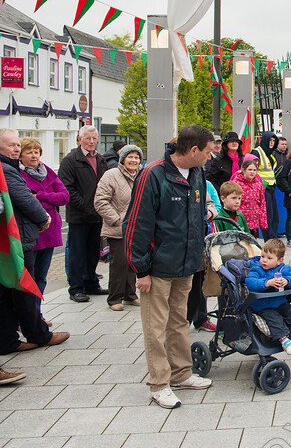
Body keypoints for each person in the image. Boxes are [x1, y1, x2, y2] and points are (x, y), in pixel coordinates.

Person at [124, 125, 215, 409]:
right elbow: (136, 224)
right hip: (157, 268)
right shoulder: (153, 174)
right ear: (193, 150)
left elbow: (197, 212)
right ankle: (159, 384)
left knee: (179, 321)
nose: (210, 158)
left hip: (186, 264)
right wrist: (141, 270)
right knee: (156, 327)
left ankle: (181, 373)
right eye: (208, 152)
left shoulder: (198, 173)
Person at [0, 128, 69, 353]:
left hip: (14, 238)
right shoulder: (8, 170)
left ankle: (9, 339)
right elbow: (24, 198)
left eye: (17, 144)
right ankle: (38, 334)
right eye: (12, 145)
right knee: (24, 290)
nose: (17, 149)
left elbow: (63, 194)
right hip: (17, 239)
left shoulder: (12, 168)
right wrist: (43, 216)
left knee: (10, 291)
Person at [59, 125, 108, 302]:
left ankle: (91, 283)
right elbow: (67, 189)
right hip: (79, 216)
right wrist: (86, 206)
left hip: (96, 216)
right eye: (88, 138)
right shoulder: (71, 160)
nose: (91, 142)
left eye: (94, 138)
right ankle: (76, 288)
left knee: (93, 252)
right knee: (77, 253)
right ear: (79, 139)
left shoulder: (101, 160)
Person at [19, 137, 68, 313]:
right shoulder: (18, 174)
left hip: (50, 230)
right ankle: (27, 316)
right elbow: (25, 202)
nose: (34, 156)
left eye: (36, 152)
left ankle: (37, 313)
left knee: (41, 276)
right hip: (31, 231)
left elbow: (64, 197)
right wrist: (48, 199)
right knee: (28, 277)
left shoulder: (47, 171)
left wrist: (40, 196)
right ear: (20, 155)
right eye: (29, 152)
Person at [94, 144, 143, 311]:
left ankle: (130, 294)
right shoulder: (111, 175)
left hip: (136, 229)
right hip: (118, 229)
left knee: (132, 263)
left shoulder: (141, 175)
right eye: (130, 157)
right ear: (122, 159)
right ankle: (115, 298)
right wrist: (116, 220)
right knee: (119, 264)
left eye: (136, 157)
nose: (134, 160)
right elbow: (100, 202)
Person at [245, 239, 291, 353]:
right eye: (262, 256)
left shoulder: (283, 269)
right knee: (274, 318)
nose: (264, 260)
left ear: (279, 260)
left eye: (269, 258)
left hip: (279, 303)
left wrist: (287, 281)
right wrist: (267, 283)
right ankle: (284, 340)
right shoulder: (256, 269)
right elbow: (250, 282)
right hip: (262, 306)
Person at [254, 131, 280, 239]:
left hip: (271, 187)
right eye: (270, 140)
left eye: (274, 141)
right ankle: (268, 240)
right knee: (267, 217)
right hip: (262, 188)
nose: (272, 143)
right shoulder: (257, 152)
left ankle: (272, 238)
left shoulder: (270, 154)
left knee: (274, 216)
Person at [232, 158, 267, 237]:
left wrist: (263, 222)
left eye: (254, 170)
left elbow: (262, 203)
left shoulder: (258, 184)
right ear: (243, 170)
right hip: (240, 220)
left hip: (254, 221)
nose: (252, 172)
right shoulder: (236, 183)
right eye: (250, 169)